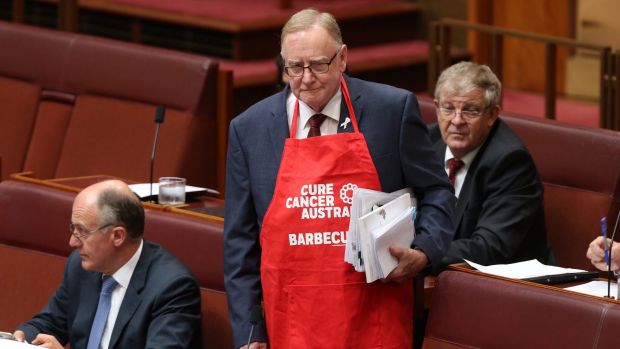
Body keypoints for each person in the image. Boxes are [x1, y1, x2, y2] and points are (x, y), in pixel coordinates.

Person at [224, 8, 455, 349]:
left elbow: (437, 192)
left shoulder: (392, 110)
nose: (306, 78)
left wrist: (423, 251)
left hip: (373, 316)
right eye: (294, 68)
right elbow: (239, 245)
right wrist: (250, 334)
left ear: (343, 58)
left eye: (319, 64)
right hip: (290, 323)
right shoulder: (249, 129)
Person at [13, 180, 202, 349]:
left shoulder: (172, 288)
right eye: (73, 228)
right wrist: (19, 341)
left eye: (82, 231)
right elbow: (50, 324)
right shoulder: (80, 265)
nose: (72, 242)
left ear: (118, 236)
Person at [428, 61, 549, 270]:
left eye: (470, 111)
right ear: (437, 108)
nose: (457, 120)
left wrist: (423, 253)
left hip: (504, 285)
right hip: (441, 275)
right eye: (448, 108)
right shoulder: (426, 142)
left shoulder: (510, 162)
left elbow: (490, 248)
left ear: (492, 115)